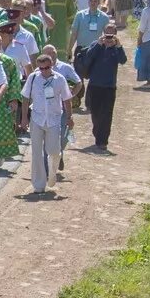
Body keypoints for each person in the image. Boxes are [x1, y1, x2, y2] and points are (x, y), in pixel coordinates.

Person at [23, 53, 74, 195]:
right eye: (41, 68)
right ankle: (38, 185)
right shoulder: (33, 78)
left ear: (51, 66)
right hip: (37, 118)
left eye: (46, 68)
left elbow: (66, 99)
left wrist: (69, 117)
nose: (44, 71)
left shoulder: (60, 79)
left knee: (54, 151)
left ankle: (52, 174)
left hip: (53, 119)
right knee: (37, 152)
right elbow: (25, 97)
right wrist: (23, 118)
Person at [78, 26, 128, 152]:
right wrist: (99, 44)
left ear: (116, 35)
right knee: (95, 113)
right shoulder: (96, 44)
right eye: (107, 34)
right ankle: (98, 134)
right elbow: (88, 57)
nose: (109, 37)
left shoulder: (116, 48)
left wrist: (118, 46)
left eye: (112, 35)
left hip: (109, 87)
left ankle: (103, 141)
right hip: (95, 85)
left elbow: (123, 60)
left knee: (107, 114)